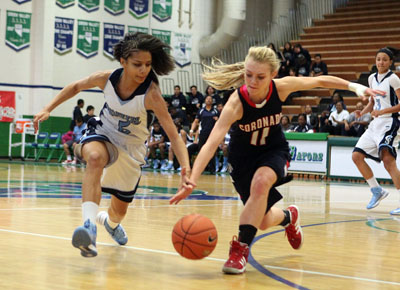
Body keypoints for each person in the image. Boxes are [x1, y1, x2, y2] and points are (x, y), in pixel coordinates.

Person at [169, 46, 381, 274]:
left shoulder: (280, 88)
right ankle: (289, 216)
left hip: (274, 151)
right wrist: (192, 180)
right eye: (248, 75)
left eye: (260, 77)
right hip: (241, 159)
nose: (252, 81)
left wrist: (354, 86)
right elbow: (211, 143)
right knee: (262, 220)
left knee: (261, 182)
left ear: (272, 75)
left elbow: (319, 82)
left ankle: (239, 249)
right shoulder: (236, 103)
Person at [33, 32, 191, 257]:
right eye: (137, 64)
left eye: (147, 64)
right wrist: (47, 108)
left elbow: (174, 136)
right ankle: (89, 228)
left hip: (132, 148)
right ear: (123, 61)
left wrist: (185, 168)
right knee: (95, 158)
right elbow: (76, 86)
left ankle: (111, 224)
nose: (144, 70)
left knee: (119, 212)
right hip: (103, 132)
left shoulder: (151, 94)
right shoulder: (106, 78)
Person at [351, 47, 400, 215]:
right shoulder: (372, 78)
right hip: (375, 124)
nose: (381, 62)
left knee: (388, 160)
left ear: (391, 62)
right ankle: (376, 190)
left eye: (385, 59)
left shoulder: (393, 79)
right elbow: (372, 102)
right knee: (356, 156)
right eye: (378, 59)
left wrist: (383, 112)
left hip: (390, 122)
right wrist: (363, 112)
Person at [189, 95, 219, 173]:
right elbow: (196, 121)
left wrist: (217, 119)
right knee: (201, 151)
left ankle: (212, 169)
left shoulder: (216, 111)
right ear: (205, 101)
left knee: (211, 151)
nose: (209, 100)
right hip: (203, 133)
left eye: (210, 99)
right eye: (207, 99)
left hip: (213, 134)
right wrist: (192, 130)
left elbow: (221, 122)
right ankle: (200, 169)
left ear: (212, 101)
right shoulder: (201, 111)